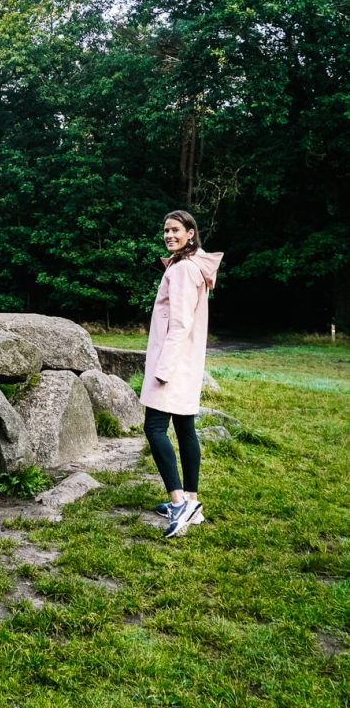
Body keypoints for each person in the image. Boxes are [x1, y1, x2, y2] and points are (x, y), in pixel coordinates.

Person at [140, 210, 223, 539]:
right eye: (165, 231)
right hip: (186, 363)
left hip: (173, 365)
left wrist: (163, 369)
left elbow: (180, 324)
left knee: (155, 427)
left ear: (191, 233)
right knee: (185, 428)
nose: (168, 235)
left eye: (175, 230)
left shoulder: (185, 270)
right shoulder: (189, 266)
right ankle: (191, 500)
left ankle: (178, 502)